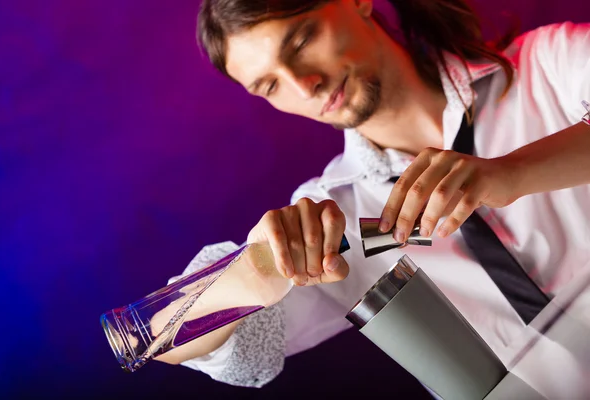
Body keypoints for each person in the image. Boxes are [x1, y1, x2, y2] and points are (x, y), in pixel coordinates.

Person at [157, 0, 590, 392]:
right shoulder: (335, 225)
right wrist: (253, 267)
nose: (305, 86)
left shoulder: (550, 65)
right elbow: (166, 337)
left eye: (303, 39)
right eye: (271, 86)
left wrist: (511, 173)